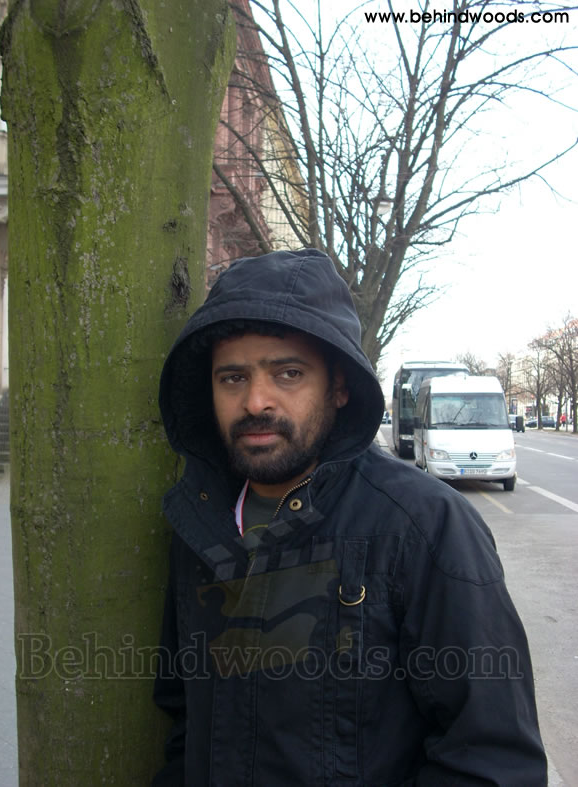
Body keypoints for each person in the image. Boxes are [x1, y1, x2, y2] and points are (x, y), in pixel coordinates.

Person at [153, 249, 547, 786]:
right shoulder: (199, 523)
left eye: (287, 373)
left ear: (340, 387)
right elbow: (185, 722)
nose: (256, 401)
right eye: (232, 378)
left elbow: (493, 761)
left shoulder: (424, 528)